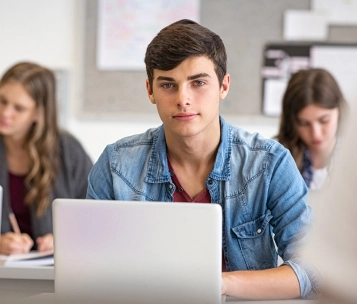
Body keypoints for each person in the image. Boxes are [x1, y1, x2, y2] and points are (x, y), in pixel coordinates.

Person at [87, 19, 318, 300]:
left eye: (198, 83)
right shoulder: (115, 165)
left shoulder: (270, 163)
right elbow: (88, 270)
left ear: (224, 86)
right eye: (168, 85)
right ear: (150, 90)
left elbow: (311, 271)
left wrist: (219, 283)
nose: (183, 99)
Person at [0, 62, 93, 255]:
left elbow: (95, 217)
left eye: (19, 108)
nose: (5, 113)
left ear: (38, 113)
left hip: (54, 272)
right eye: (2, 101)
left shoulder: (68, 152)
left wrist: (65, 238)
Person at [276, 68, 347, 190]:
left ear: (340, 110)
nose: (316, 134)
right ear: (292, 121)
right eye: (304, 123)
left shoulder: (351, 155)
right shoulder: (277, 158)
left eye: (324, 121)